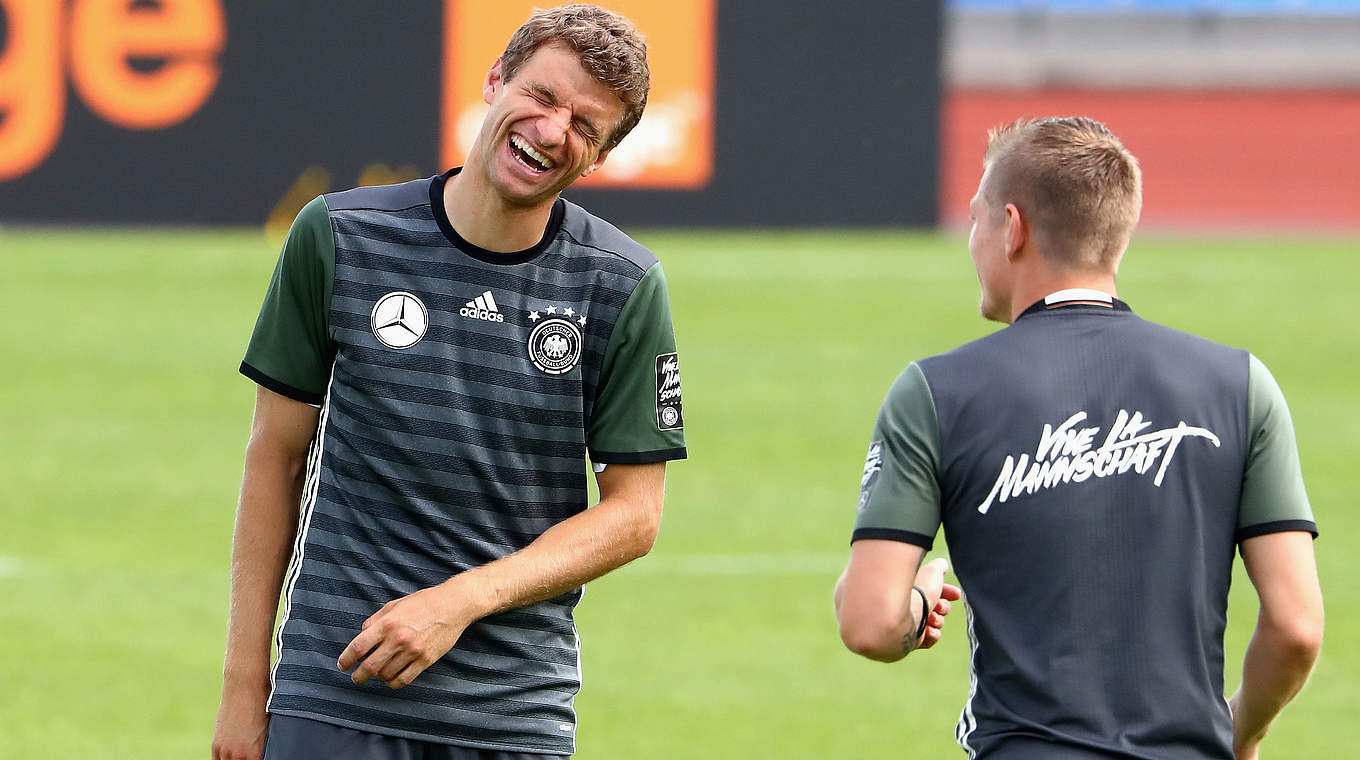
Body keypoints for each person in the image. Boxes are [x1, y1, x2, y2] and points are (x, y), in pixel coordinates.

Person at [211, 6, 686, 759]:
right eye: (543, 96)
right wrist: (244, 688)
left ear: (597, 159)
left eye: (586, 127)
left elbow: (635, 515)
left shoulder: (622, 285)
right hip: (333, 697)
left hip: (512, 718)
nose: (553, 130)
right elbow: (275, 457)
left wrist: (462, 600)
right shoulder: (337, 237)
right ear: (495, 79)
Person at [834, 117, 1322, 760]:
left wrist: (918, 605)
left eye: (979, 220)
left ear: (1014, 228)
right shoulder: (1242, 385)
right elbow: (1296, 628)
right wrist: (1240, 732)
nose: (974, 240)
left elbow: (868, 622)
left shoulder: (936, 392)